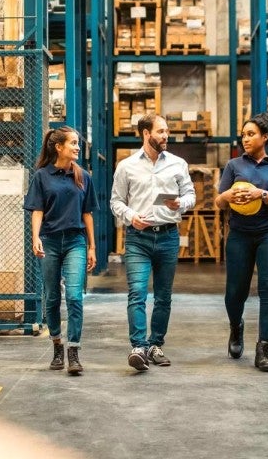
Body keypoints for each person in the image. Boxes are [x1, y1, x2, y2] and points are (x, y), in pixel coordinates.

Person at [110, 114, 196, 372]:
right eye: (160, 131)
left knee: (163, 296)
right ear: (146, 134)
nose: (165, 136)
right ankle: (138, 347)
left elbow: (191, 194)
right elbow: (116, 201)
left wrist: (181, 203)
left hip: (169, 236)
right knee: (137, 292)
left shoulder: (178, 164)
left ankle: (155, 345)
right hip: (138, 238)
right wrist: (131, 217)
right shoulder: (126, 167)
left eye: (167, 131)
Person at [216, 113, 268, 372]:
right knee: (235, 292)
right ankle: (236, 327)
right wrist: (227, 194)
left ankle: (264, 348)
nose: (245, 139)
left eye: (251, 134)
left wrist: (260, 193)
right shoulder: (234, 165)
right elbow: (219, 201)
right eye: (244, 134)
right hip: (239, 233)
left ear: (265, 137)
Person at [24, 126, 98, 376]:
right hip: (50, 241)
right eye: (73, 143)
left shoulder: (83, 176)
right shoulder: (42, 176)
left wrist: (92, 246)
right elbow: (37, 210)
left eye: (78, 143)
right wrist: (35, 237)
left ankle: (73, 350)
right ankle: (57, 344)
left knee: (75, 296)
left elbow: (87, 213)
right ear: (59, 147)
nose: (78, 147)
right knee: (52, 296)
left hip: (76, 241)